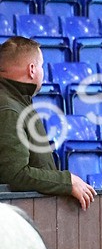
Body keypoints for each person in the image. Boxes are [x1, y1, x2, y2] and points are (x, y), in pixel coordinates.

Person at [0, 36, 95, 208]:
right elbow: (15, 174)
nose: (43, 71)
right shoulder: (9, 108)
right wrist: (67, 182)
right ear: (32, 70)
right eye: (41, 66)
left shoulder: (16, 101)